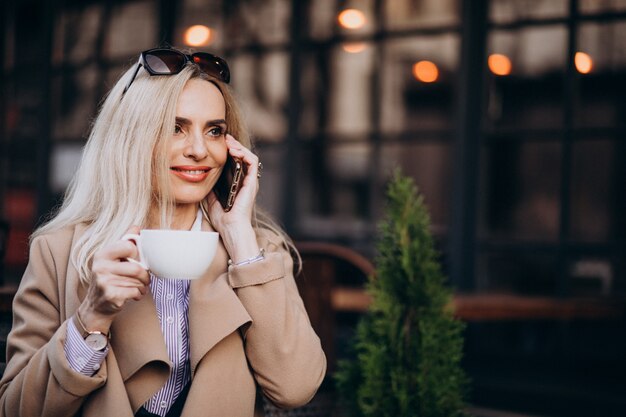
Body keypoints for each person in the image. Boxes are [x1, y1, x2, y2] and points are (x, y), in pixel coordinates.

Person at [0, 47, 326, 417]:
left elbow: (296, 387)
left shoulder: (257, 252)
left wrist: (240, 239)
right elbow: (15, 410)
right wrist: (90, 318)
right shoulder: (59, 252)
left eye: (215, 131)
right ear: (131, 139)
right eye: (175, 128)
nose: (200, 150)